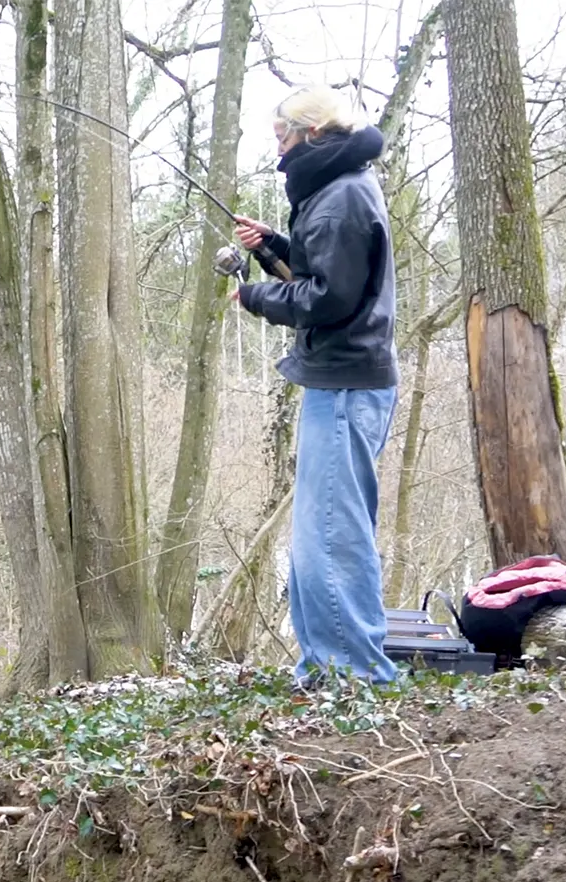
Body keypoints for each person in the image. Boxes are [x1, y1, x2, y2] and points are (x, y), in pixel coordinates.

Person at [229, 86, 400, 685]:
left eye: (282, 136)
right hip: (342, 381)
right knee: (317, 533)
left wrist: (257, 296)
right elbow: (324, 268)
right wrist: (274, 247)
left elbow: (328, 298)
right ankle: (325, 667)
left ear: (313, 134)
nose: (277, 148)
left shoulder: (338, 199)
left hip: (347, 385)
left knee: (331, 533)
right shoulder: (338, 189)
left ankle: (353, 674)